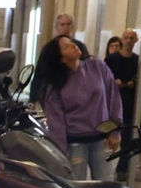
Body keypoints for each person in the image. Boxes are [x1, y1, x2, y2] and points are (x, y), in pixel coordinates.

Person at [39, 35, 122, 180]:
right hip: (75, 143)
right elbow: (56, 122)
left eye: (71, 42)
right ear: (62, 59)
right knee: (76, 187)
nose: (73, 45)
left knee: (106, 185)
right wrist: (61, 152)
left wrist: (115, 131)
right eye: (66, 46)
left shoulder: (98, 66)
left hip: (103, 140)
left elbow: (113, 98)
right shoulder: (55, 85)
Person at [105, 29, 141, 179]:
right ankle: (105, 168)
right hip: (110, 106)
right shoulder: (111, 60)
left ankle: (122, 169)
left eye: (131, 38)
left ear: (136, 40)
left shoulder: (138, 60)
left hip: (129, 106)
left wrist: (134, 82)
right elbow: (103, 79)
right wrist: (114, 83)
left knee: (127, 139)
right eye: (126, 37)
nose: (128, 40)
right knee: (106, 138)